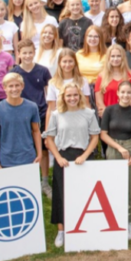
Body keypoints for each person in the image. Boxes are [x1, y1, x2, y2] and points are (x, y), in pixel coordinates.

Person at [43, 83, 101, 247]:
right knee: (61, 195)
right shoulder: (56, 114)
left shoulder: (89, 113)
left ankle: (85, 227)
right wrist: (58, 158)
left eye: (75, 95)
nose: (72, 98)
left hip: (84, 157)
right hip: (64, 158)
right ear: (63, 97)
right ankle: (62, 231)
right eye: (69, 95)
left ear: (80, 95)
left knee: (85, 194)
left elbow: (95, 137)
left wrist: (84, 155)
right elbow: (50, 139)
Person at [100, 81, 131, 231]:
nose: (125, 95)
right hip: (113, 149)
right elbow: (103, 135)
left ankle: (128, 221)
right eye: (123, 92)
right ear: (118, 93)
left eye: (128, 93)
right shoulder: (109, 111)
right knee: (113, 186)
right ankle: (113, 220)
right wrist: (118, 147)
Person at [0, 72, 42, 171]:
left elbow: (36, 131)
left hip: (28, 158)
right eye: (10, 86)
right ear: (4, 88)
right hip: (6, 160)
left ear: (22, 86)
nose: (14, 89)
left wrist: (39, 153)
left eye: (17, 85)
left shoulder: (32, 107)